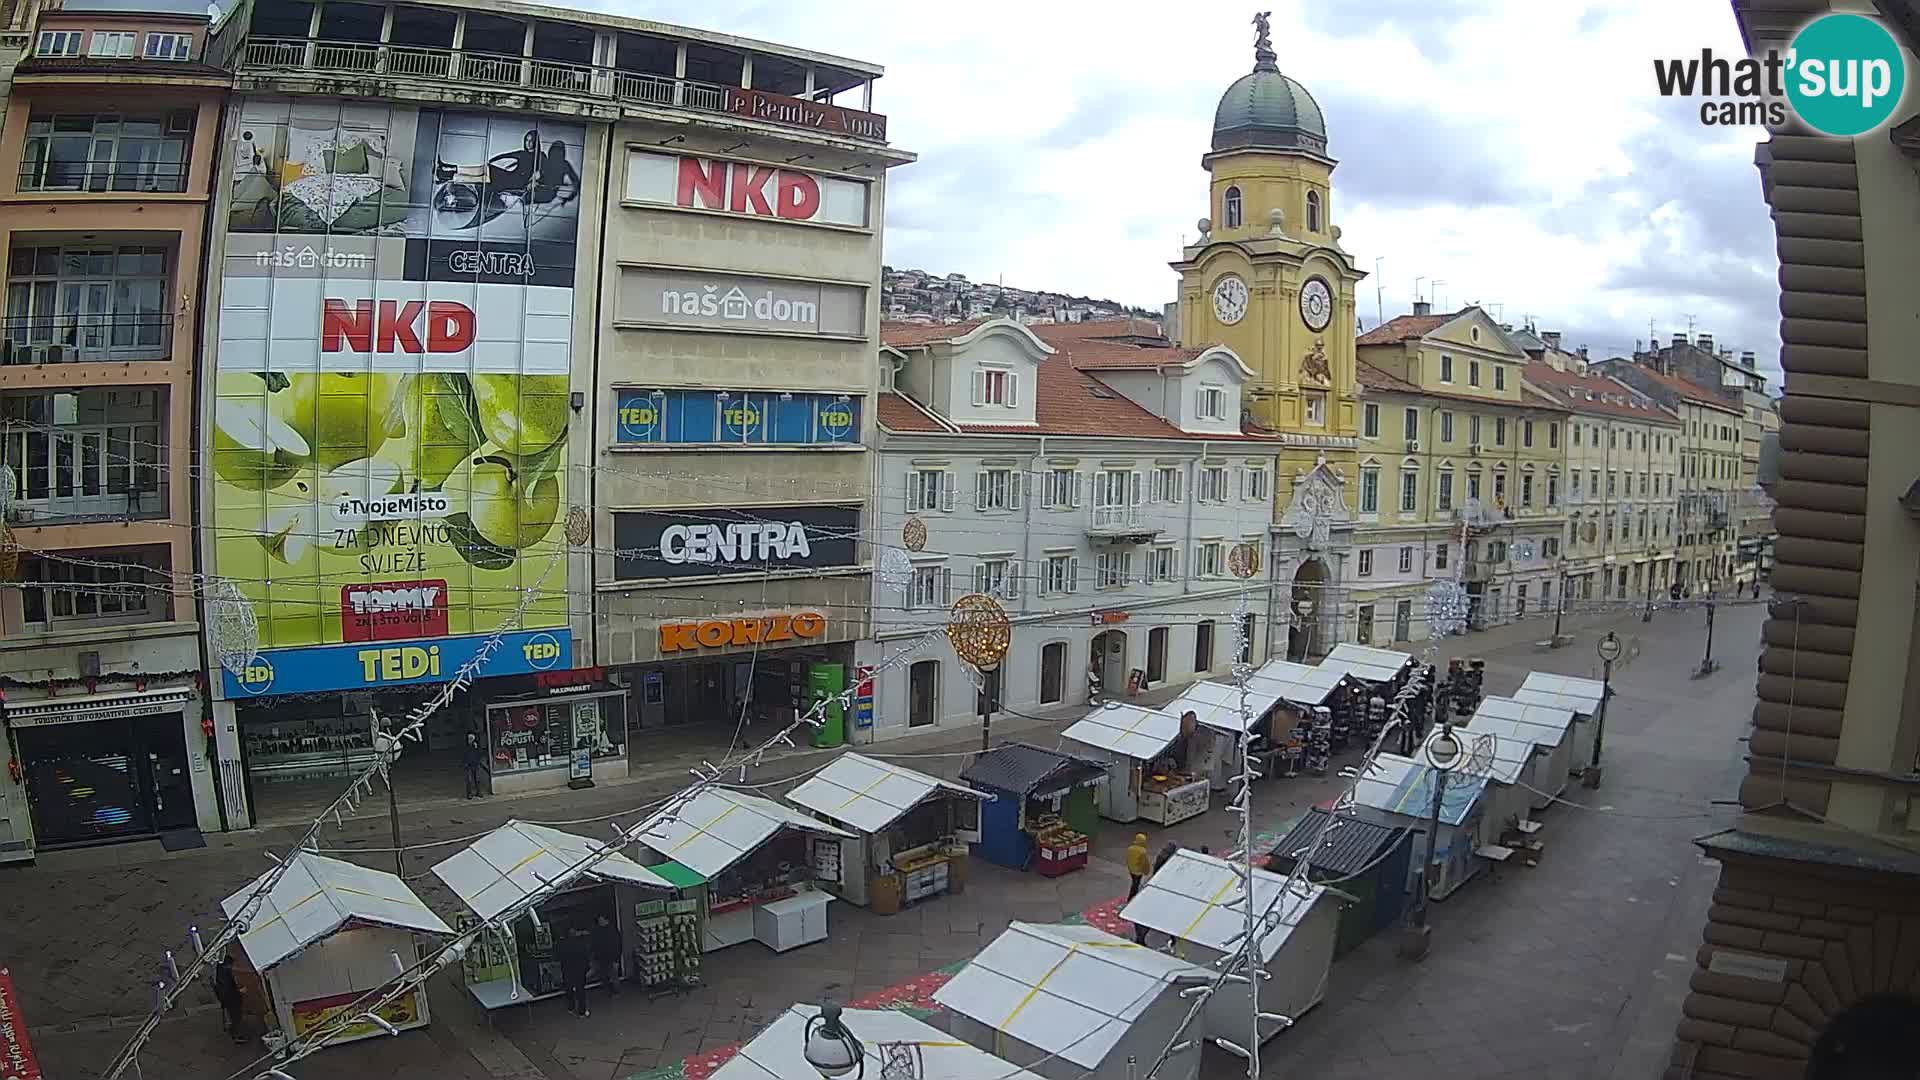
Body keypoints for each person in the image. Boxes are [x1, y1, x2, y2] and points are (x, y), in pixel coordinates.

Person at [213, 950, 245, 1044]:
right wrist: (239, 991)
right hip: (230, 999)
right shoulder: (225, 974)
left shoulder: (220, 971)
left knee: (233, 1016)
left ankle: (233, 1031)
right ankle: (236, 1035)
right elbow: (228, 990)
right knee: (236, 1017)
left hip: (225, 998)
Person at [558, 927, 592, 1018]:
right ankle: (581, 1011)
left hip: (568, 970)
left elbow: (561, 957)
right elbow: (585, 956)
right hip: (579, 970)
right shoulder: (580, 943)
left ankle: (571, 1007)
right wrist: (586, 968)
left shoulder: (563, 944)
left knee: (569, 990)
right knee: (580, 991)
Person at [590, 913, 622, 996]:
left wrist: (616, 959)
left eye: (601, 920)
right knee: (604, 976)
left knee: (614, 976)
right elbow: (595, 944)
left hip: (612, 958)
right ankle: (609, 991)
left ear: (606, 920)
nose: (599, 922)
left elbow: (618, 946)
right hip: (602, 959)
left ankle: (616, 992)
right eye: (599, 921)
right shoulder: (598, 931)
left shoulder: (612, 931)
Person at [1124, 833, 1150, 898]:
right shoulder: (1142, 851)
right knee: (1136, 884)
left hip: (1131, 869)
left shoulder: (1130, 848)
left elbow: (1128, 859)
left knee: (1134, 882)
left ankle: (1132, 895)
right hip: (1138, 871)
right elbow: (1144, 862)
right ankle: (1132, 897)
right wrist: (1146, 871)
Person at [463, 732, 488, 799]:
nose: (470, 740)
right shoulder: (465, 746)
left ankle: (479, 792)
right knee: (469, 780)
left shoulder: (476, 745)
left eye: (471, 739)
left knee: (477, 779)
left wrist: (476, 747)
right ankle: (469, 794)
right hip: (468, 765)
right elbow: (464, 754)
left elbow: (480, 753)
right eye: (469, 739)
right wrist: (465, 763)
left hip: (476, 764)